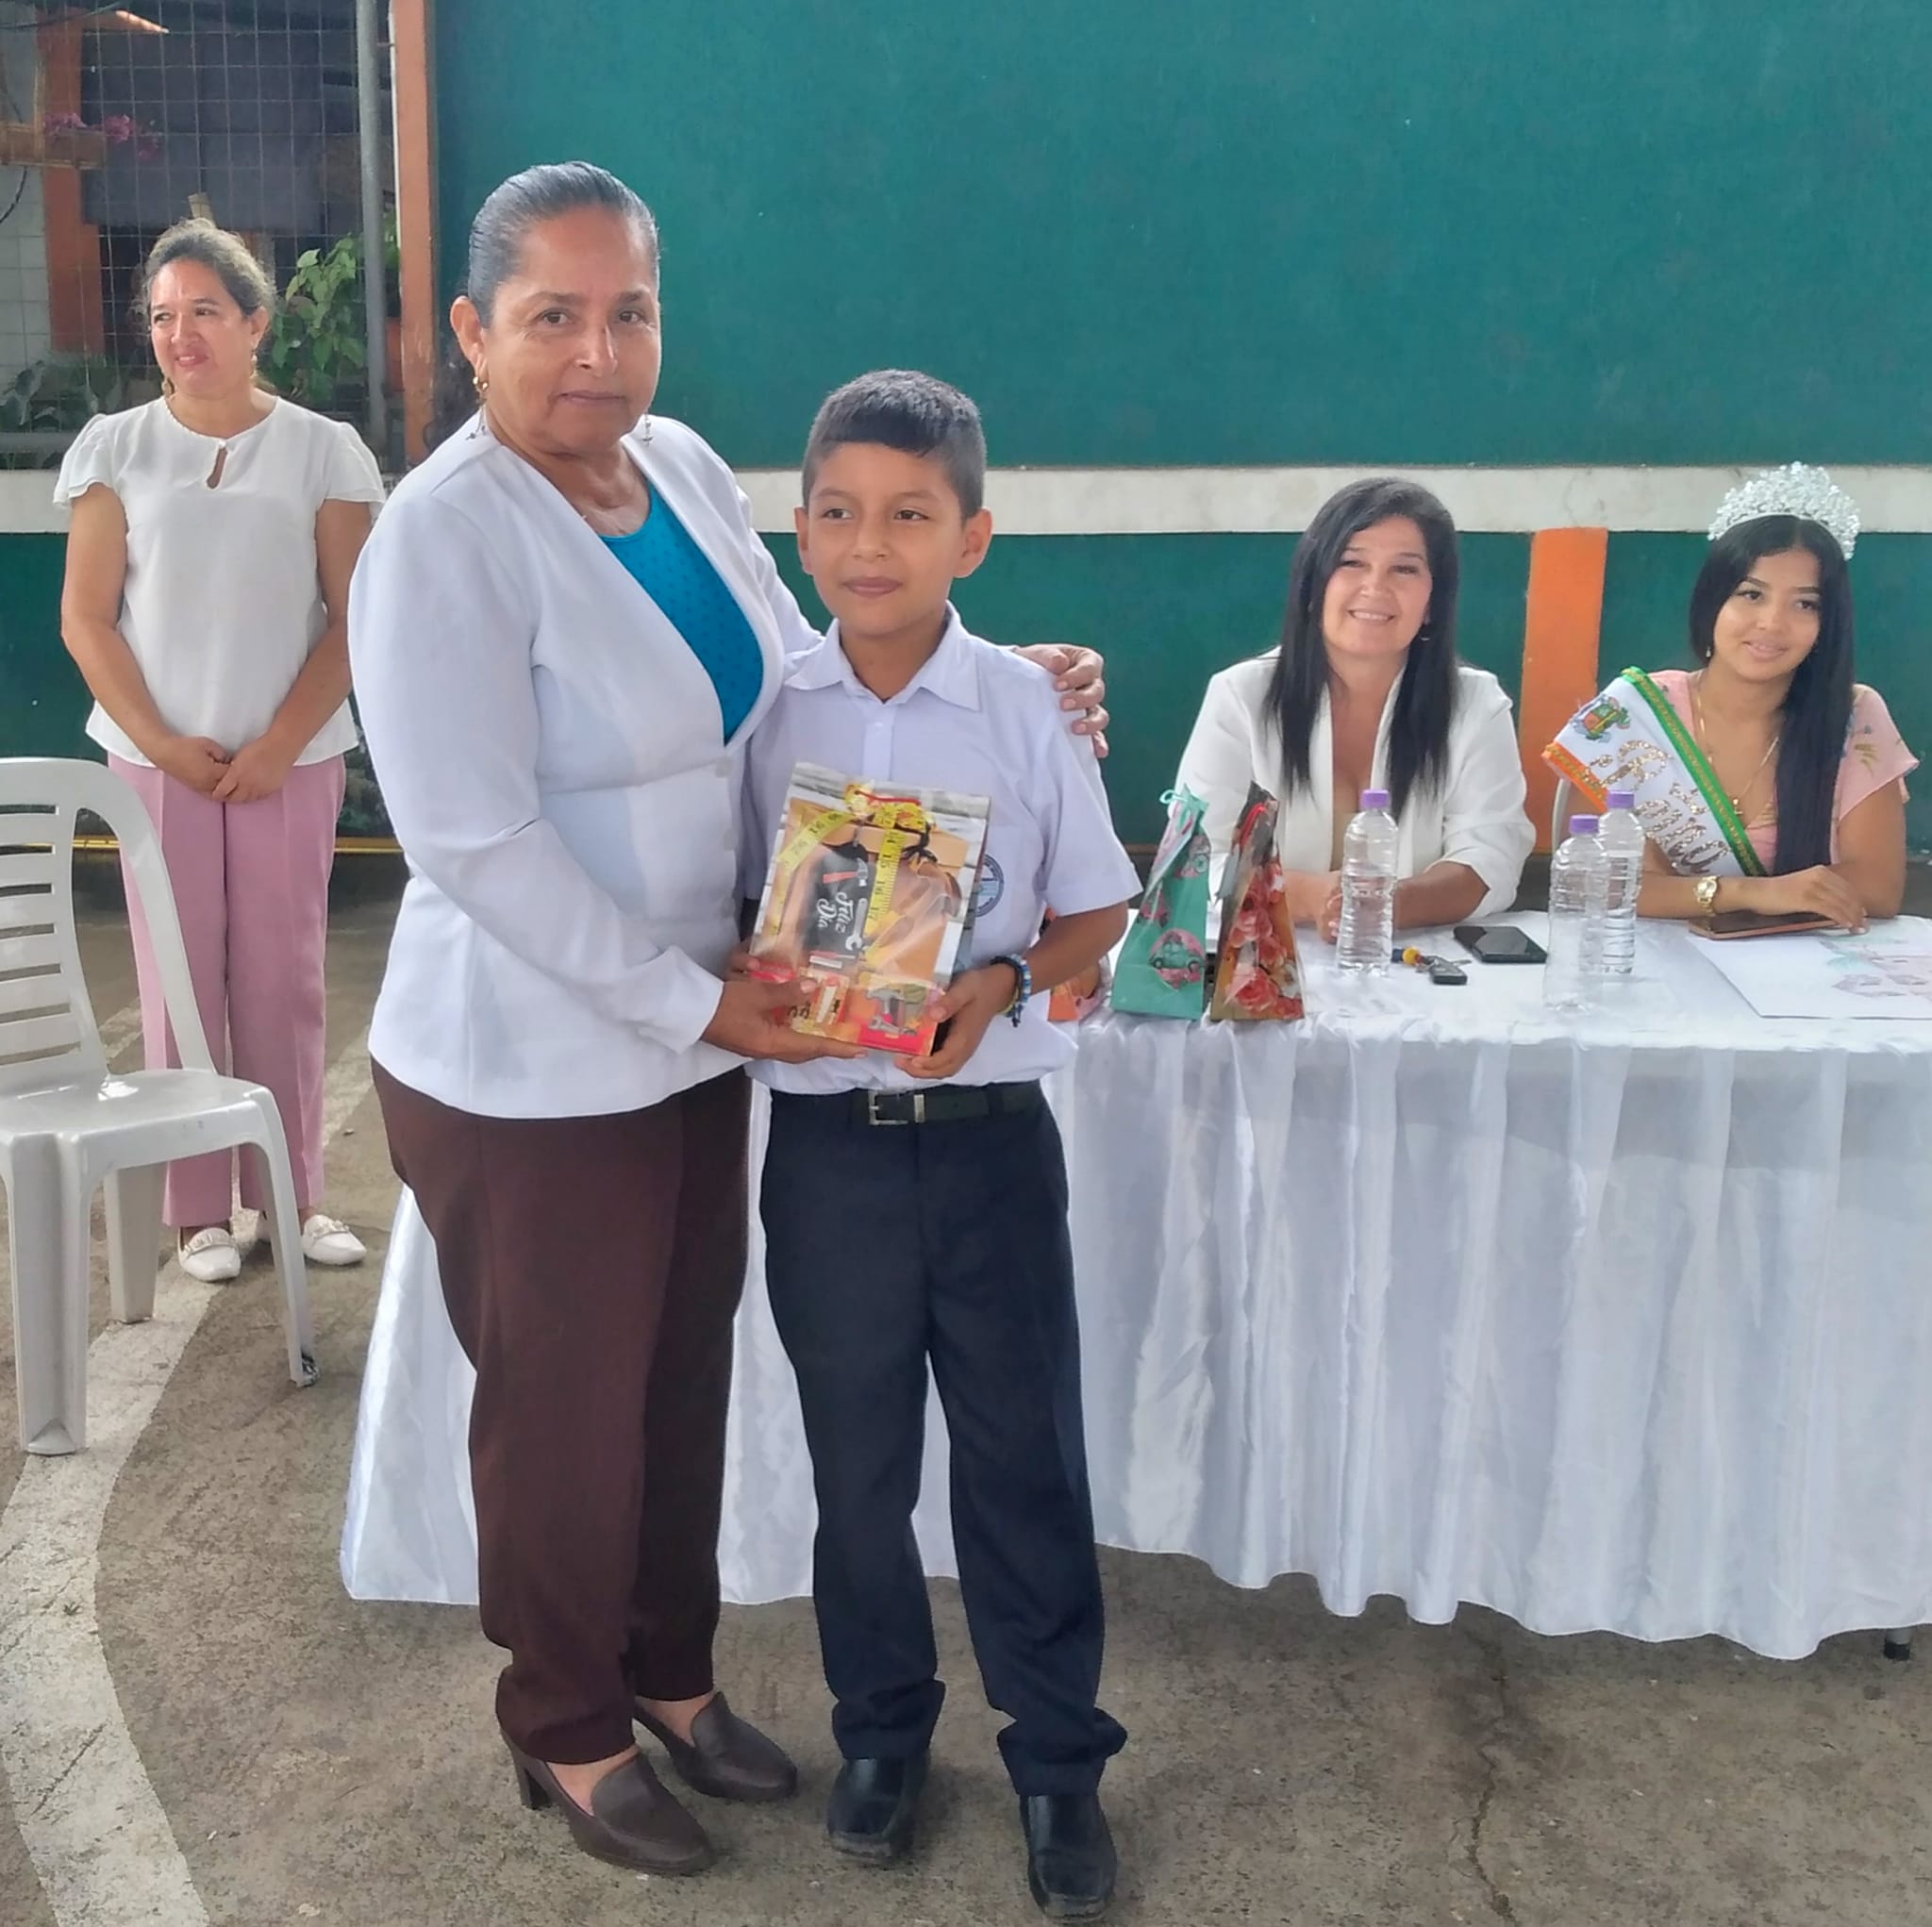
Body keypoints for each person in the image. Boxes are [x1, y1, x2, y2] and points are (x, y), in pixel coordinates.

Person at [343, 163, 1108, 1879]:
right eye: (551, 315)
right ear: (471, 330)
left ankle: (669, 1670)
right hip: (534, 1063)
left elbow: (809, 681)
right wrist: (695, 1001)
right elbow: (474, 838)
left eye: (627, 311)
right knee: (563, 1407)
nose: (596, 352)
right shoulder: (443, 536)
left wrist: (1005, 683)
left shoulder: (677, 469)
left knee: (678, 1378)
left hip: (721, 1028)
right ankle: (563, 1717)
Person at [742, 370, 1137, 1918]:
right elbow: (727, 898)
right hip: (829, 1152)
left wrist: (1001, 977)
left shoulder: (1026, 709)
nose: (870, 544)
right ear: (800, 527)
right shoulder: (769, 707)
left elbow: (1097, 907)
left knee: (1023, 1459)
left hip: (988, 1146)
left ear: (970, 535)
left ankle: (1057, 1761)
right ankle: (881, 1733)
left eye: (909, 514)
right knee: (856, 1468)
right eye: (840, 512)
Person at [57, 219, 382, 1282]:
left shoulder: (323, 450)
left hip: (291, 760)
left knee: (283, 980)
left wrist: (281, 744)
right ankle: (196, 1208)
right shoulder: (115, 448)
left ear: (255, 322)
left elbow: (354, 618)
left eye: (204, 310)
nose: (180, 333)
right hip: (157, 767)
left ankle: (293, 1196)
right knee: (177, 982)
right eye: (162, 316)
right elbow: (87, 619)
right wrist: (160, 744)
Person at [1546, 465, 1914, 928]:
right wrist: (1747, 892)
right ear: (1713, 600)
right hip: (1653, 958)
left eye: (1805, 604)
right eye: (1751, 595)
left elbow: (1878, 886)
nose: (1772, 623)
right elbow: (1597, 881)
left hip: (1801, 962)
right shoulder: (1631, 713)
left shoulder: (1854, 715)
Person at [1174, 477, 1532, 941]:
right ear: (1313, 586)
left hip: (1412, 959)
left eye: (1405, 569)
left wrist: (1385, 906)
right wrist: (1312, 897)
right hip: (1259, 962)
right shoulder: (1241, 695)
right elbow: (1195, 858)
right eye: (1351, 563)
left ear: (1432, 603)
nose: (1375, 587)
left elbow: (1492, 856)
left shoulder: (1476, 705)